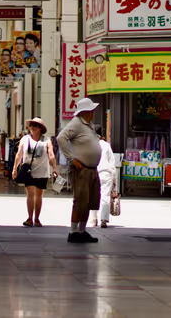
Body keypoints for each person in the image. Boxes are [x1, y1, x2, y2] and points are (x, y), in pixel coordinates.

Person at [56, 97, 102, 243]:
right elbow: (60, 138)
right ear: (87, 111)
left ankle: (82, 230)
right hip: (82, 168)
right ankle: (74, 230)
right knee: (81, 200)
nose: (94, 112)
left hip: (91, 168)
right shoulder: (76, 123)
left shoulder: (88, 124)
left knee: (90, 200)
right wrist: (71, 158)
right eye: (92, 110)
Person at [13, 117, 58, 227]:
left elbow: (51, 155)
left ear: (40, 128)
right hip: (29, 171)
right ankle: (29, 218)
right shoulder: (25, 139)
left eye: (36, 126)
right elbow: (19, 154)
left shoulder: (46, 140)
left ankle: (37, 218)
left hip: (42, 171)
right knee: (30, 194)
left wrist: (55, 168)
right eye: (31, 125)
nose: (33, 127)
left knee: (39, 195)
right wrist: (15, 168)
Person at [94, 124, 116, 229]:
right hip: (106, 173)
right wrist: (114, 179)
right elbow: (112, 162)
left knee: (93, 196)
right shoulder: (106, 145)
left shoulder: (91, 144)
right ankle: (103, 219)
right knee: (105, 196)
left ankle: (93, 219)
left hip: (94, 172)